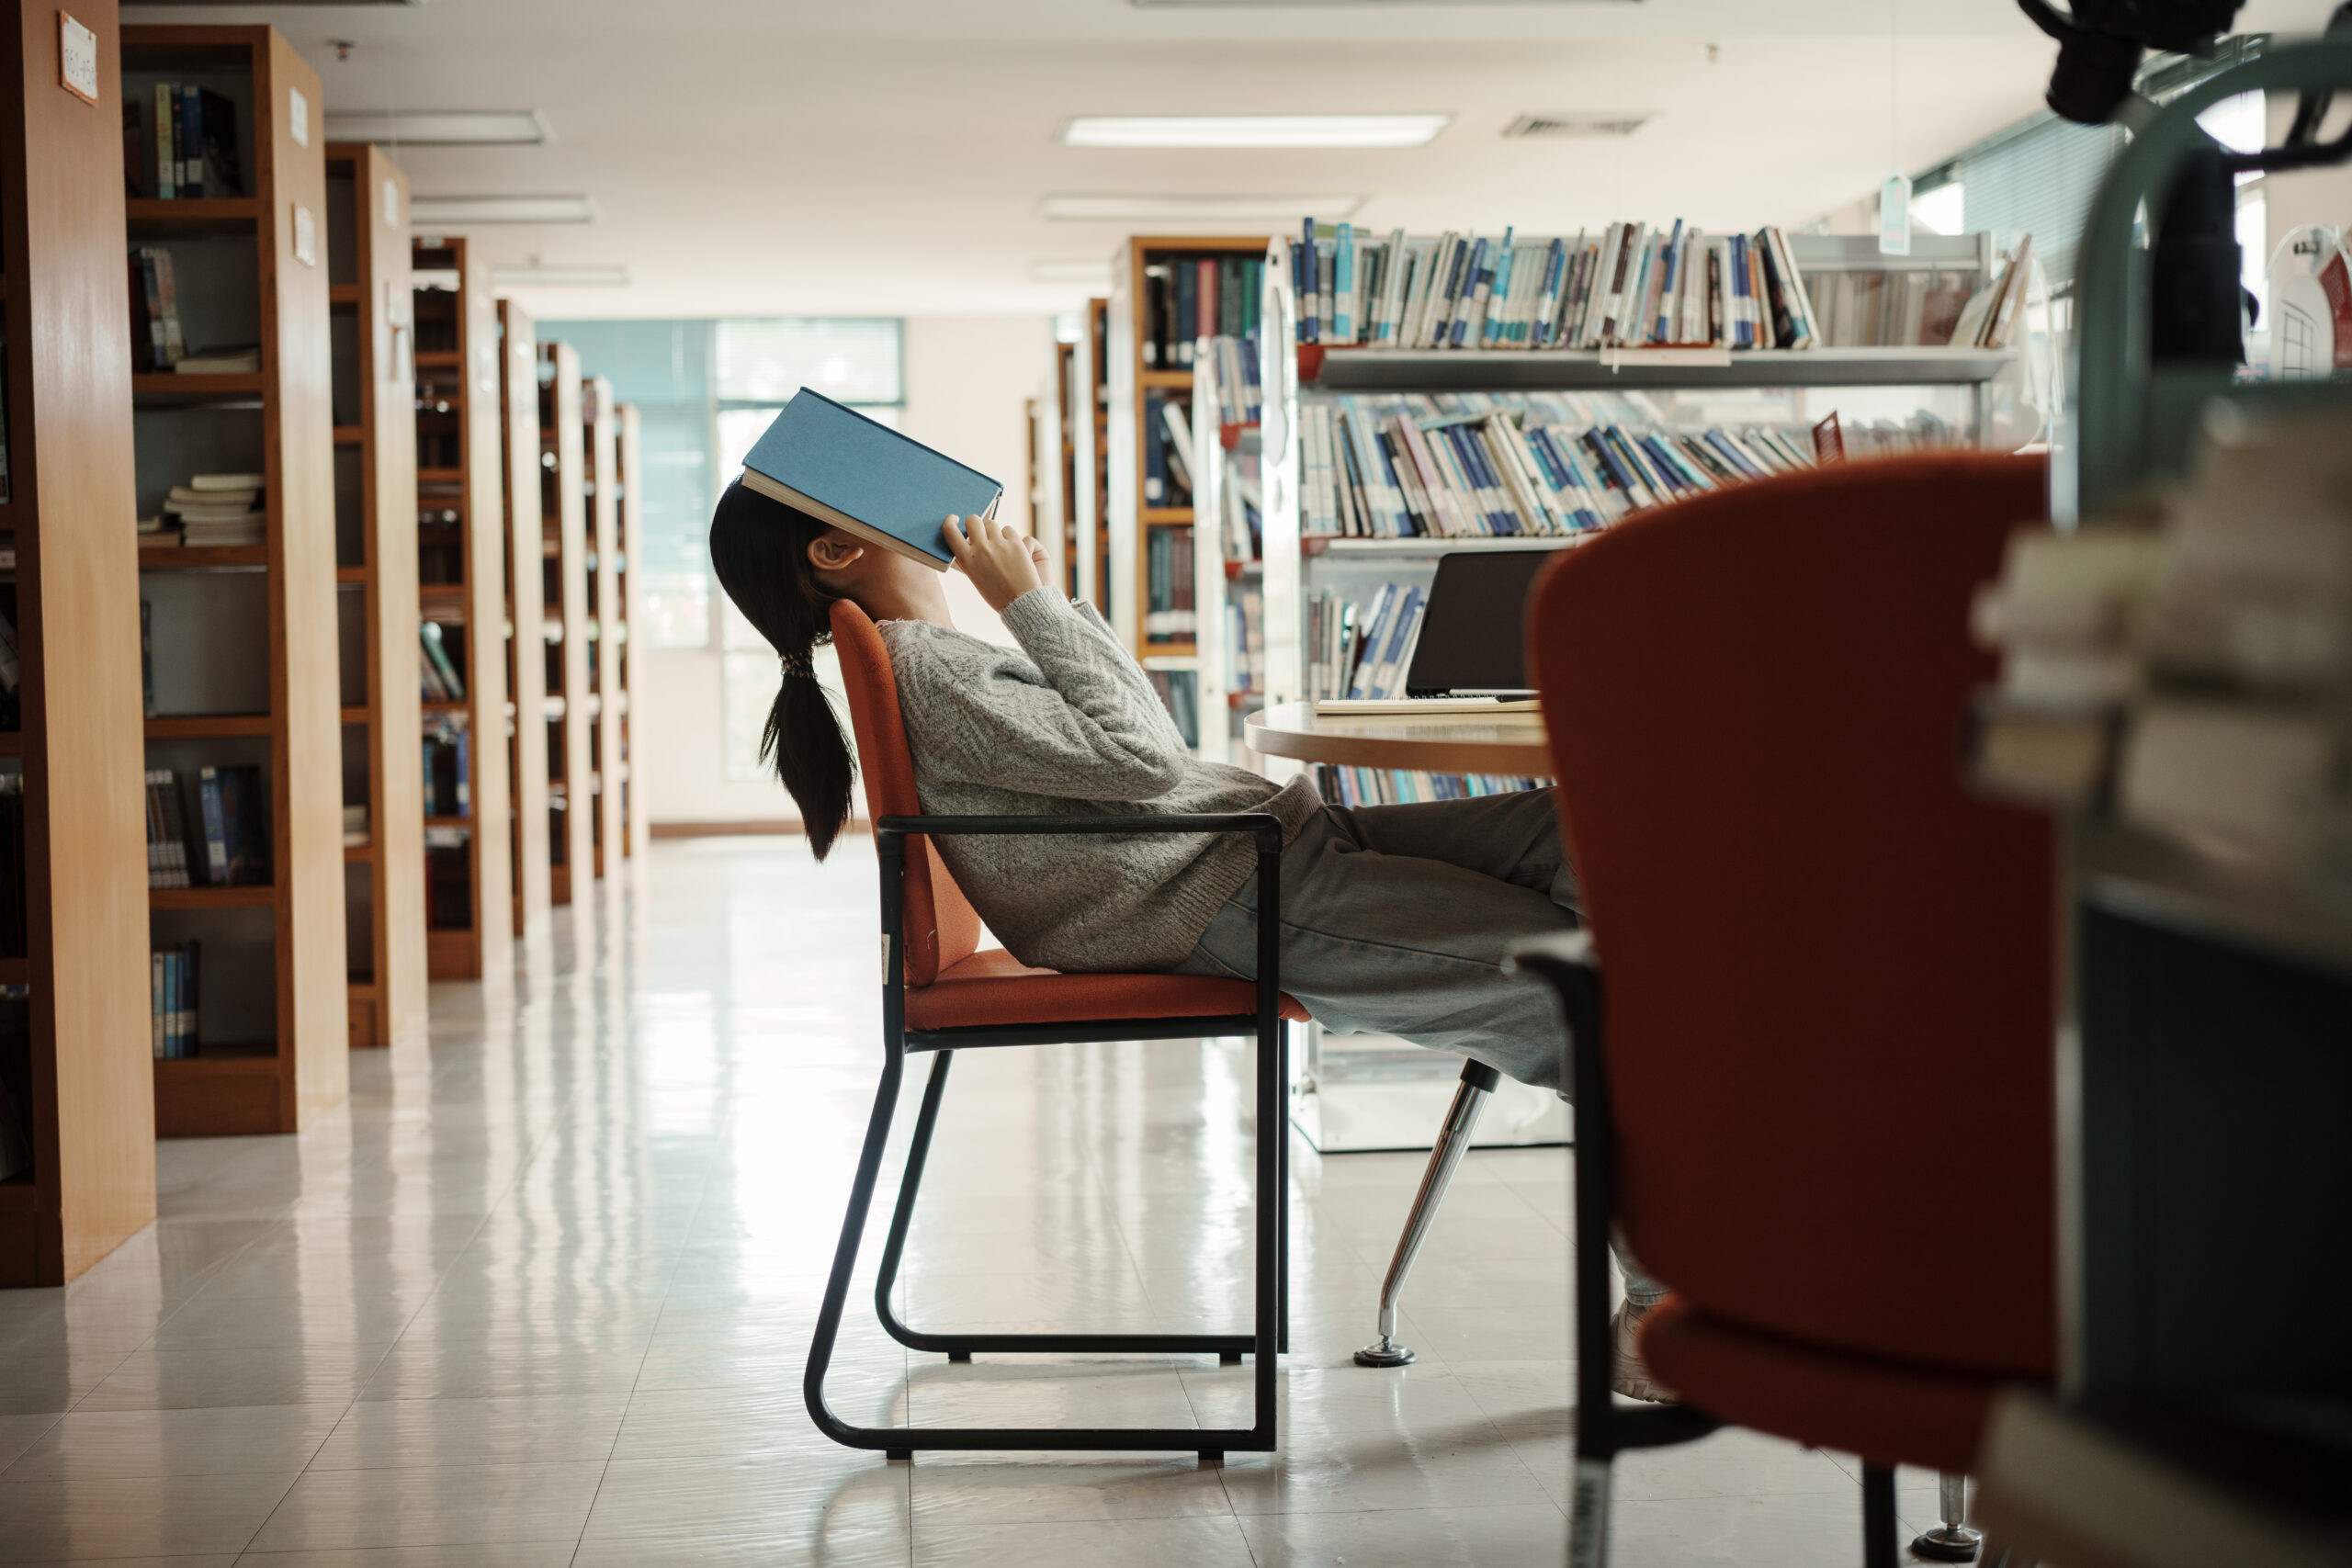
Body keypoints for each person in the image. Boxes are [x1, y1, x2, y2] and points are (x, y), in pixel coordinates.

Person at [707, 479, 1670, 1400]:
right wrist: (1029, 603)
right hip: (1225, 893)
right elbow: (1148, 760)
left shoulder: (940, 655)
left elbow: (1136, 748)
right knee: (1595, 1008)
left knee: (1583, 824)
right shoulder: (932, 668)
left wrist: (1045, 608)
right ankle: (1658, 1301)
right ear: (836, 548)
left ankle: (1663, 1064)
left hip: (1265, 849)